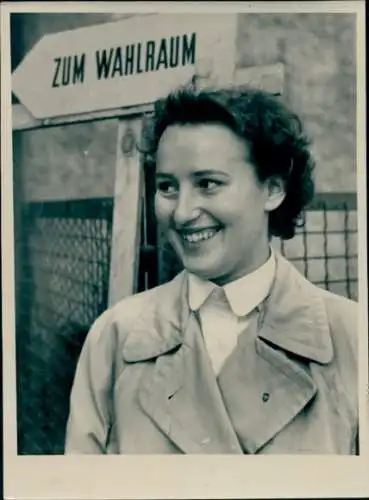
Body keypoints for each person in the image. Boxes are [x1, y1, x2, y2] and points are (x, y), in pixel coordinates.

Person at [65, 85, 358, 455]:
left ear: (272, 190)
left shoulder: (351, 339)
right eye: (168, 187)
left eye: (208, 184)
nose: (183, 212)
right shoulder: (115, 336)